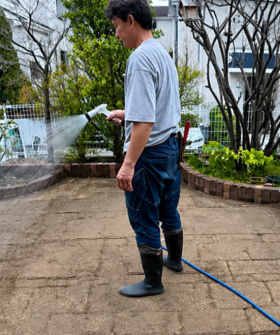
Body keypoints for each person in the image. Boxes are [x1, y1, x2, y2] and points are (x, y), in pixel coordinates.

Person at [105, 0, 184, 298]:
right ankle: (174, 260)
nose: (116, 35)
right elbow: (159, 108)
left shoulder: (139, 59)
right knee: (168, 209)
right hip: (169, 150)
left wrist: (128, 164)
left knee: (144, 216)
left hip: (149, 156)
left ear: (130, 20)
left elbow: (146, 123)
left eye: (117, 28)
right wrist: (124, 113)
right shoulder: (161, 53)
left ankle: (153, 282)